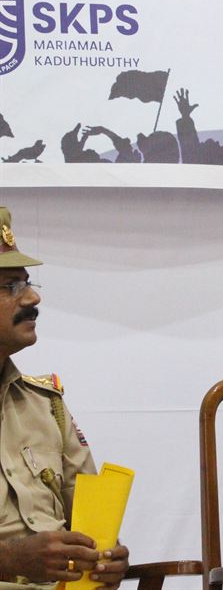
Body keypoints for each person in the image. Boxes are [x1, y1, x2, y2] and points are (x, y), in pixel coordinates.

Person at [0, 207, 130, 589]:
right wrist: (8, 560)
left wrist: (106, 558)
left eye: (27, 283)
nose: (32, 297)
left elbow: (90, 526)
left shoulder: (46, 405)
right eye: (10, 287)